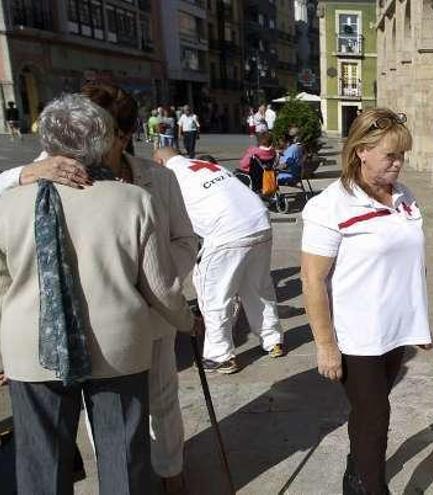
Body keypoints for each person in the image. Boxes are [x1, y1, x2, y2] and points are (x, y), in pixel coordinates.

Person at [0, 83, 199, 493]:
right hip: (118, 346)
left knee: (40, 462)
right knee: (124, 457)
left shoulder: (9, 202)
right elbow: (160, 286)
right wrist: (185, 318)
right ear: (104, 138)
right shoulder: (130, 201)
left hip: (30, 345)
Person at [301, 108, 433, 495]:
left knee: (368, 411)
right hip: (358, 336)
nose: (399, 164)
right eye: (391, 155)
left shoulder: (405, 196)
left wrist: (419, 322)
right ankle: (369, 487)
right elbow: (312, 279)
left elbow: (414, 263)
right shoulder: (332, 205)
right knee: (376, 415)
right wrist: (326, 346)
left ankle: (356, 473)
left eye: (402, 155)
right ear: (361, 150)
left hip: (397, 330)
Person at [154, 148, 286, 374]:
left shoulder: (168, 176)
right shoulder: (206, 166)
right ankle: (273, 340)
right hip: (259, 222)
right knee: (258, 287)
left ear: (159, 161)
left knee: (213, 294)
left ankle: (220, 356)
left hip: (226, 232)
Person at [239, 131, 278, 195]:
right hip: (268, 177)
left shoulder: (253, 152)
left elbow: (243, 164)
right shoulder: (273, 152)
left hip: (255, 178)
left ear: (259, 141)